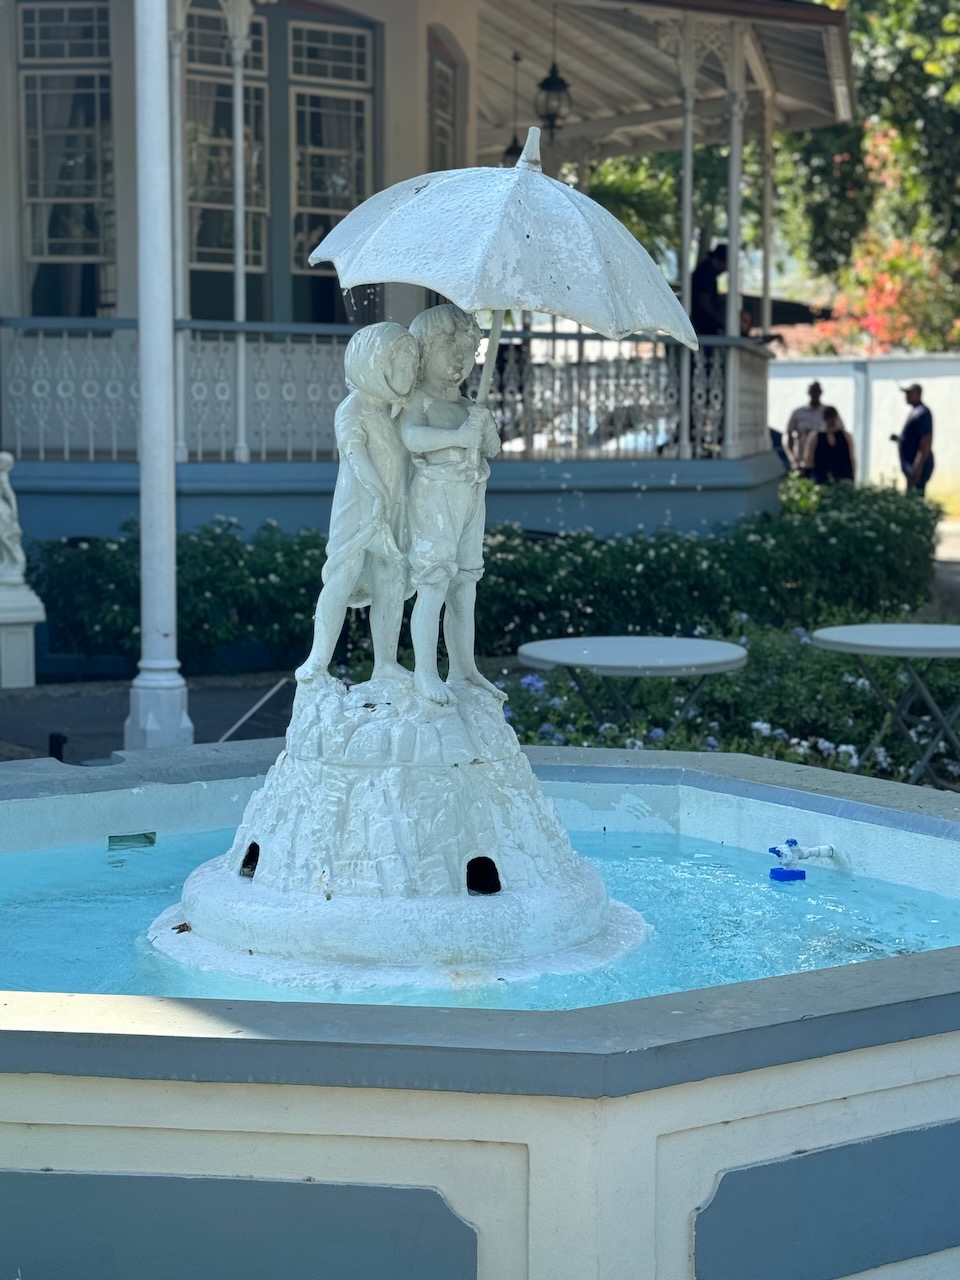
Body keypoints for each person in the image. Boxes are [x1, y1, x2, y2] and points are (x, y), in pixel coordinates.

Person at [296, 322, 420, 684]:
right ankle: (318, 660)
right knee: (343, 574)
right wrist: (377, 492)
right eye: (403, 362)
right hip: (358, 509)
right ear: (375, 363)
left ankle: (386, 663)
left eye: (414, 363)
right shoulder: (353, 408)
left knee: (390, 578)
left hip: (394, 510)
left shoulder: (397, 414)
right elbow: (355, 454)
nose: (411, 371)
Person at [400, 304, 503, 706]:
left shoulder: (467, 407)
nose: (461, 360)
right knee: (434, 582)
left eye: (469, 351)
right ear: (424, 351)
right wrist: (459, 437)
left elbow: (492, 448)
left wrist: (485, 427)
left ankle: (464, 667)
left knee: (465, 585)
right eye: (450, 349)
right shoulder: (419, 400)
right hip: (435, 498)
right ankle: (425, 671)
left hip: (471, 497)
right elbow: (411, 437)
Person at [891, 382, 934, 496]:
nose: (907, 396)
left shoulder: (923, 413)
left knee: (916, 496)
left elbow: (926, 441)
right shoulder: (915, 412)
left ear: (918, 394)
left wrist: (918, 466)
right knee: (911, 495)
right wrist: (899, 439)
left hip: (917, 465)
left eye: (909, 393)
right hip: (910, 465)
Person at [803, 405, 855, 485]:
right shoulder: (815, 437)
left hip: (842, 477)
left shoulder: (845, 436)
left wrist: (852, 478)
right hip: (821, 478)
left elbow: (851, 459)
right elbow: (809, 461)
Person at [785, 381, 825, 472]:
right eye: (813, 392)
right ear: (809, 393)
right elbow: (788, 435)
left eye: (817, 391)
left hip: (823, 458)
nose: (815, 394)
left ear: (821, 393)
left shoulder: (827, 412)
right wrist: (792, 458)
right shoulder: (798, 413)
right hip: (802, 458)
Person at [689, 243, 727, 336]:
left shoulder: (706, 270)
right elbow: (704, 301)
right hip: (702, 325)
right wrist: (720, 320)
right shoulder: (706, 274)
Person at [0, 451, 26, 583]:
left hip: (2, 511)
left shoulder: (2, 476)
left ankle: (14, 559)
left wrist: (14, 511)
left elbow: (10, 494)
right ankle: (7, 560)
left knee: (4, 536)